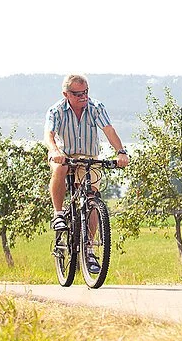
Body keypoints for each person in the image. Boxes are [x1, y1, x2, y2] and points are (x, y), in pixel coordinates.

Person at [44, 74, 129, 273]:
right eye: (77, 94)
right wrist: (55, 151)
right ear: (66, 94)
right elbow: (48, 135)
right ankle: (58, 214)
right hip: (63, 154)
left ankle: (89, 249)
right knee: (60, 168)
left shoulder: (96, 107)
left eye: (86, 92)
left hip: (88, 156)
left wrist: (121, 152)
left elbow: (109, 130)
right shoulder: (56, 111)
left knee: (92, 199)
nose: (83, 97)